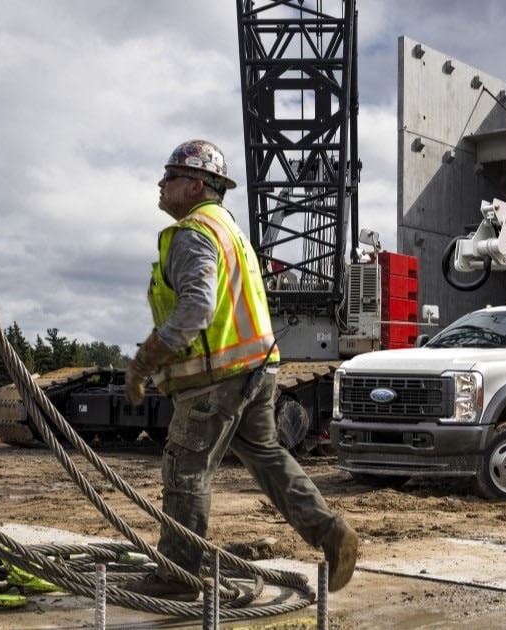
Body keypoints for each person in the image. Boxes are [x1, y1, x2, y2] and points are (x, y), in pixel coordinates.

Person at [121, 140, 357, 601]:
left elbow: (196, 307)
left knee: (185, 469)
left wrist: (144, 361)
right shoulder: (230, 230)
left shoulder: (193, 232)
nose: (160, 184)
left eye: (169, 177)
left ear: (193, 185)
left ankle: (178, 575)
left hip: (216, 377)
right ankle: (331, 533)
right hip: (256, 369)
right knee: (268, 457)